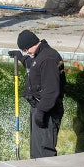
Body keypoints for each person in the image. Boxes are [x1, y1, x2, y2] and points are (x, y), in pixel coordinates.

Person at [8, 30, 66, 159]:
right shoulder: (41, 55)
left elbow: (52, 90)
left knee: (44, 150)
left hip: (47, 111)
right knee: (36, 150)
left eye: (25, 50)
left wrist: (41, 111)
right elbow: (34, 66)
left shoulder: (48, 58)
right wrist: (22, 58)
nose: (26, 52)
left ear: (33, 44)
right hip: (39, 107)